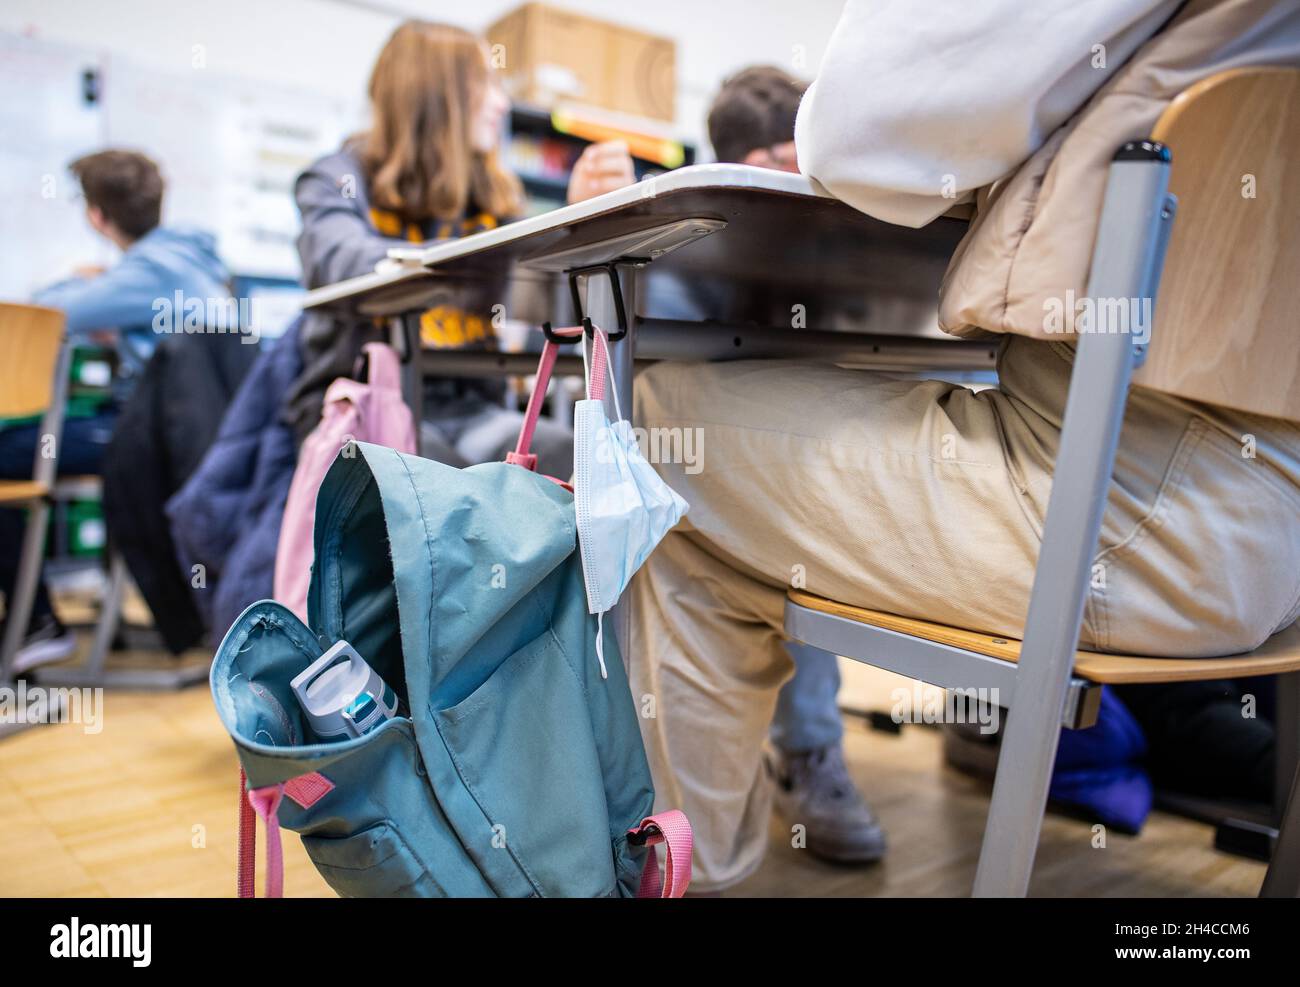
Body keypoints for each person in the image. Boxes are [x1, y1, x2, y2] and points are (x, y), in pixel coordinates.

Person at [627, 0, 1300, 892]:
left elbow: (856, 128)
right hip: (1278, 540)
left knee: (664, 431)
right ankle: (792, 768)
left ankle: (682, 872)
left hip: (1119, 519)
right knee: (746, 476)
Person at [286, 19, 628, 475]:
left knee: (586, 463)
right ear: (435, 95)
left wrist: (581, 220)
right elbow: (338, 260)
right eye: (485, 83)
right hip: (368, 406)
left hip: (475, 411)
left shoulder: (492, 198)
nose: (501, 103)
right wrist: (474, 262)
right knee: (436, 481)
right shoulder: (336, 181)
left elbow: (548, 308)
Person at [707, 65, 885, 864]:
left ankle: (806, 747)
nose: (800, 184)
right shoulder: (688, 240)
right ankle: (779, 749)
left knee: (810, 507)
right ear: (742, 163)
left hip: (792, 440)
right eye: (784, 161)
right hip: (700, 439)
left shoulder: (840, 243)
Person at [0, 149, 230, 672]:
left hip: (154, 442)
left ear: (96, 216)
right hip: (193, 436)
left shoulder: (144, 273)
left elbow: (46, 313)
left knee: (7, 452)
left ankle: (36, 621)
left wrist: (88, 283)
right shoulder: (194, 260)